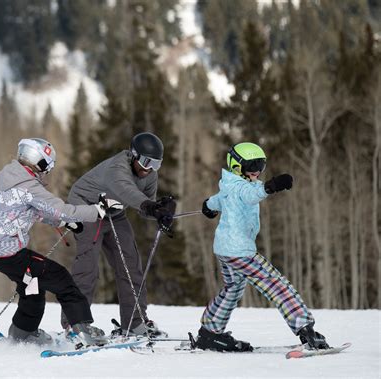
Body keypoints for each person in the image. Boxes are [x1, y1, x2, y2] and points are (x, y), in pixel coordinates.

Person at [195, 142, 330, 352]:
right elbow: (252, 194)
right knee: (276, 285)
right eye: (252, 165)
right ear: (237, 166)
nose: (257, 171)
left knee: (233, 289)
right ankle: (306, 330)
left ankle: (210, 333)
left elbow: (217, 201)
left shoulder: (228, 184)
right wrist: (271, 186)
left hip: (225, 250)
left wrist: (207, 206)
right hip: (240, 252)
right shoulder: (243, 187)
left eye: (261, 165)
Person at [0, 138, 113, 346]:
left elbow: (32, 212)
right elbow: (61, 208)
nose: (47, 171)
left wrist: (64, 222)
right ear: (39, 162)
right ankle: (83, 329)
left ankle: (22, 332)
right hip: (10, 253)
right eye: (47, 166)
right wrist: (96, 211)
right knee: (61, 278)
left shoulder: (11, 178)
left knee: (32, 287)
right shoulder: (27, 186)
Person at [61, 132, 176, 337]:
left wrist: (161, 211)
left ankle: (134, 321)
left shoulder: (149, 175)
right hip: (86, 207)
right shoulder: (117, 168)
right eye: (146, 162)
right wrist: (151, 206)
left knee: (131, 265)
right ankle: (75, 323)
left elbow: (144, 207)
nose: (149, 169)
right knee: (88, 266)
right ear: (133, 155)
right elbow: (128, 192)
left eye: (156, 164)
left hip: (114, 212)